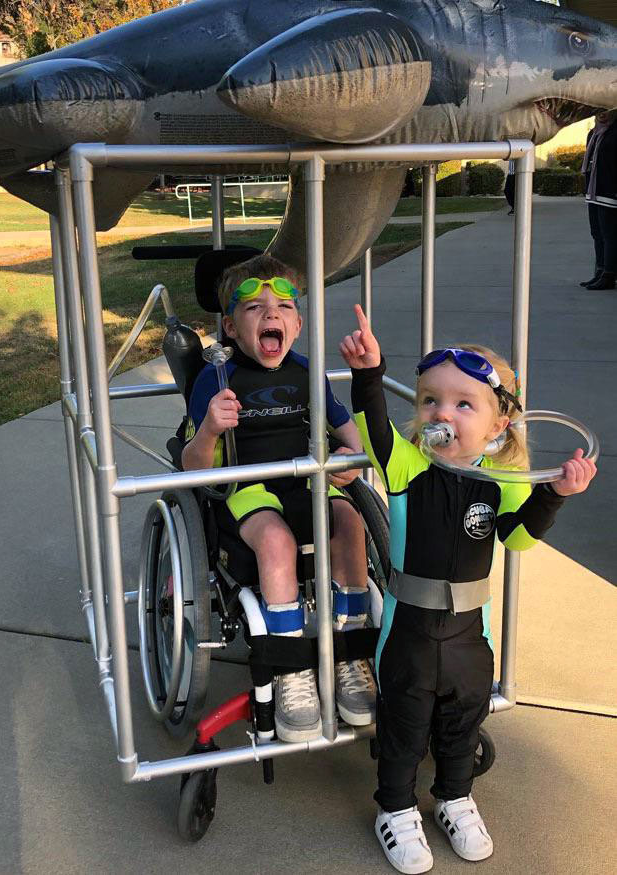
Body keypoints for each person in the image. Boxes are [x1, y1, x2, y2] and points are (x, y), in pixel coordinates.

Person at [340, 306, 596, 875]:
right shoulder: (407, 465)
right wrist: (369, 372)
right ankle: (397, 808)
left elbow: (520, 539)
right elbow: (376, 427)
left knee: (463, 720)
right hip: (408, 629)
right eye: (431, 400)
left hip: (469, 635)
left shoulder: (500, 478)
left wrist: (554, 495)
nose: (443, 413)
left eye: (463, 403)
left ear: (498, 424)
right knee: (404, 726)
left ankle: (455, 796)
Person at [182, 254, 377, 743]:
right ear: (229, 326)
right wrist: (209, 428)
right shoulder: (215, 379)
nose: (271, 315)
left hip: (306, 479)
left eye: (283, 306)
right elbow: (191, 466)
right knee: (276, 544)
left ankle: (351, 653)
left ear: (298, 322)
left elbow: (348, 434)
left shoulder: (307, 371)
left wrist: (349, 464)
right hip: (248, 486)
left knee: (350, 525)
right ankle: (291, 669)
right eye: (254, 308)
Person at [581, 110, 617, 290]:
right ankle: (600, 271)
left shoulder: (615, 132)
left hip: (610, 192)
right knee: (596, 233)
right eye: (599, 111)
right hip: (593, 191)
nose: (603, 114)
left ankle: (609, 275)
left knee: (609, 235)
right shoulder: (593, 132)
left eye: (607, 110)